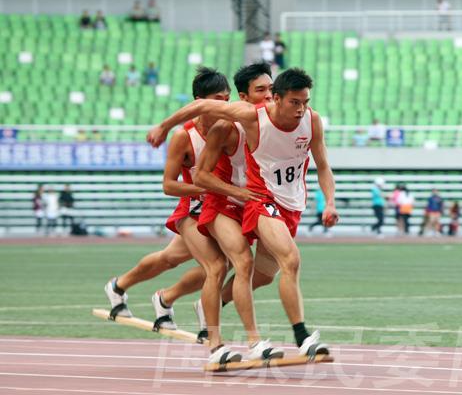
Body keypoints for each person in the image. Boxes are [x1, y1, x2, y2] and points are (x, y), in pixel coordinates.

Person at [148, 67, 339, 358]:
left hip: (279, 202)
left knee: (264, 274)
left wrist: (330, 202)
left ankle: (207, 304)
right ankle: (241, 342)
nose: (267, 95)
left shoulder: (308, 120)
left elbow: (323, 164)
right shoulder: (231, 123)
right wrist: (163, 127)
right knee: (235, 264)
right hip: (232, 201)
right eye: (261, 90)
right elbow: (200, 123)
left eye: (270, 89)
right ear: (244, 97)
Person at [105, 67, 249, 364]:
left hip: (222, 210)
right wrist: (207, 186)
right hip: (193, 210)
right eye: (217, 99)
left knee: (170, 258)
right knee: (216, 265)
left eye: (227, 99)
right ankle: (214, 341)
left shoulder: (233, 126)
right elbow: (168, 185)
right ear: (199, 102)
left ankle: (156, 296)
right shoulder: (185, 136)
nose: (224, 105)